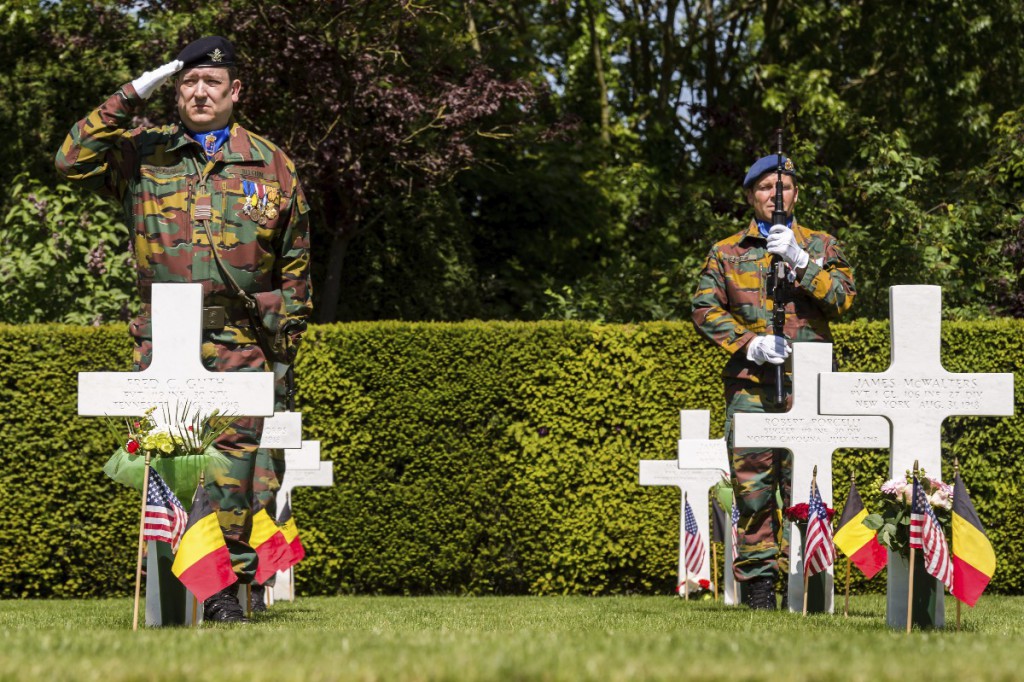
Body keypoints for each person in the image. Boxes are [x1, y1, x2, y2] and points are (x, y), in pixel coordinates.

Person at [56, 36, 312, 622]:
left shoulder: (271, 165)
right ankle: (203, 596)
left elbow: (296, 265)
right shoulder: (145, 154)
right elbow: (70, 161)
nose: (199, 93)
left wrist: (282, 348)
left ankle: (229, 592)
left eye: (212, 84)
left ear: (234, 92)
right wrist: (132, 91)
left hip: (240, 343)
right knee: (170, 463)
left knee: (232, 470)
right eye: (187, 84)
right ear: (175, 91)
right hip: (163, 340)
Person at [690, 154, 854, 609]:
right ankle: (760, 592)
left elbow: (843, 300)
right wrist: (749, 343)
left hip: (810, 386)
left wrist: (802, 262)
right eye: (764, 187)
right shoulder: (727, 252)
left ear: (795, 193)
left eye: (782, 186)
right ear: (750, 196)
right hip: (751, 388)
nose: (774, 195)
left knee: (807, 484)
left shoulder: (821, 245)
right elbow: (704, 309)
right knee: (754, 490)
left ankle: (809, 585)